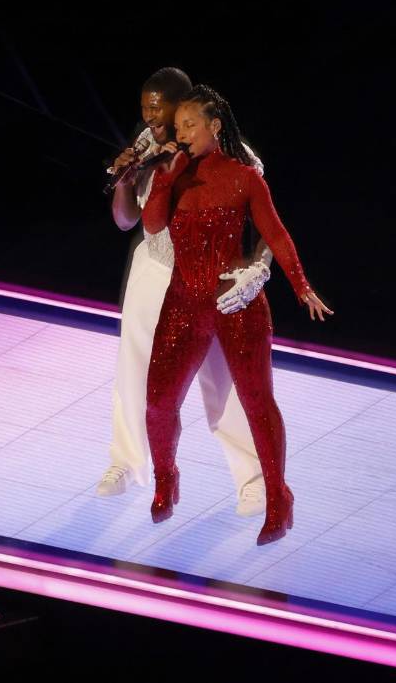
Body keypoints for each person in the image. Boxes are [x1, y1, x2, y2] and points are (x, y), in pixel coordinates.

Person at [142, 84, 332, 545]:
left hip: (236, 303)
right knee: (158, 402)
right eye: (179, 126)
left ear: (214, 126)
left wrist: (301, 286)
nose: (182, 133)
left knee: (256, 403)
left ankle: (277, 497)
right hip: (183, 301)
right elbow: (150, 225)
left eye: (191, 125)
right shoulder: (176, 175)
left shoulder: (245, 177)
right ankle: (166, 478)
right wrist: (165, 176)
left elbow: (278, 235)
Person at [98, 68, 274, 516]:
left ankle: (254, 480)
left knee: (223, 380)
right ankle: (127, 463)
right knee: (134, 370)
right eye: (146, 115)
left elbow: (269, 225)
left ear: (186, 106)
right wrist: (123, 178)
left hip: (208, 278)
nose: (153, 124)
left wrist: (257, 270)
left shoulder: (236, 155)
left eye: (161, 114)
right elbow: (124, 222)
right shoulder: (147, 146)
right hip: (156, 269)